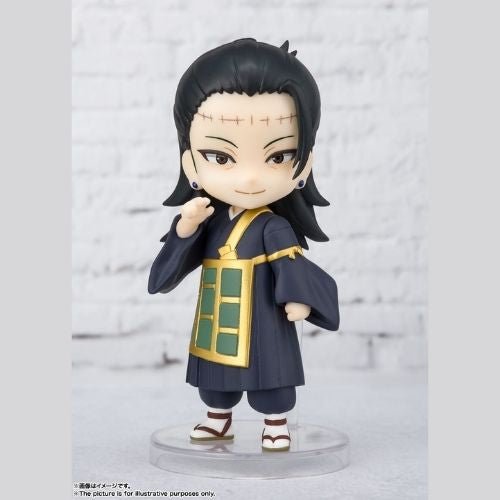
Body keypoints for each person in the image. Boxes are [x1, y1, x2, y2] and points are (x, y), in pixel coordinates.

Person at [148, 38, 340, 452]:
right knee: (215, 378)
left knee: (269, 375)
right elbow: (168, 271)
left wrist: (299, 298)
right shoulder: (209, 220)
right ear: (190, 161)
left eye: (278, 156)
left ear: (304, 162)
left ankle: (275, 422)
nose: (250, 178)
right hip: (217, 310)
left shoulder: (272, 227)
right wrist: (186, 228)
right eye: (220, 157)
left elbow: (290, 266)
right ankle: (218, 417)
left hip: (262, 314)